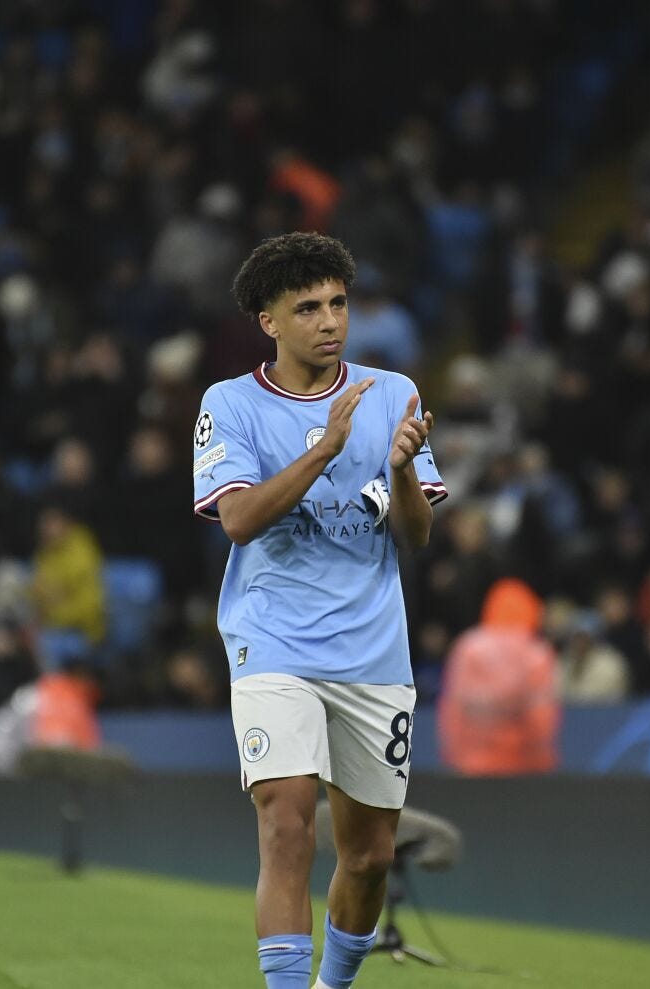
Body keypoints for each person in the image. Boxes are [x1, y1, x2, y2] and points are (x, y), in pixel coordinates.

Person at [192, 232, 446, 989]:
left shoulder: (393, 393)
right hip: (273, 640)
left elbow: (416, 535)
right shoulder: (230, 403)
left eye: (338, 303)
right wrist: (324, 450)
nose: (330, 321)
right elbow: (237, 520)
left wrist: (399, 472)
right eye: (308, 308)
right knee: (287, 822)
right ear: (269, 320)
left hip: (372, 650)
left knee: (368, 857)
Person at [437, 578, 562, 775]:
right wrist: (542, 761)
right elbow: (542, 717)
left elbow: (453, 707)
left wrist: (453, 757)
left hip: (472, 765)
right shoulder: (536, 653)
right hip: (523, 768)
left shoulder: (468, 647)